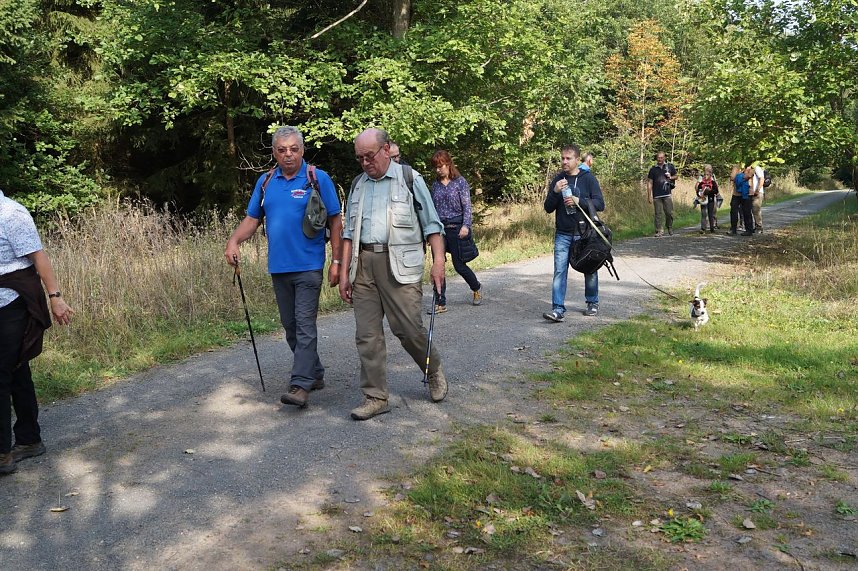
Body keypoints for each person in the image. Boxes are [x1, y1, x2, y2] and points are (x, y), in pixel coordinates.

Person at [224, 126, 342, 409]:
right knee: (290, 326)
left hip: (309, 266)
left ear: (302, 150)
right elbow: (252, 220)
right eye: (282, 150)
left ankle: (299, 385)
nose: (288, 155)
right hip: (279, 267)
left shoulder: (317, 178)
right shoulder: (266, 182)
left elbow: (335, 222)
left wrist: (337, 261)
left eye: (294, 149)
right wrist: (233, 241)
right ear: (274, 152)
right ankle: (315, 373)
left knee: (304, 326)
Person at [338, 128, 448, 421]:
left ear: (386, 149)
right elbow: (349, 233)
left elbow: (432, 225)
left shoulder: (410, 179)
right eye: (359, 158)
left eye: (369, 156)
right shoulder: (358, 185)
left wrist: (438, 263)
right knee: (367, 335)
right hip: (365, 265)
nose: (364, 163)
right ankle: (375, 396)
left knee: (409, 330)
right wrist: (345, 271)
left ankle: (432, 368)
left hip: (401, 264)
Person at [1, 190, 74, 475]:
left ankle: (2, 452)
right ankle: (29, 439)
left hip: (13, 302)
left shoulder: (10, 214)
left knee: (2, 372)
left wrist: (55, 296)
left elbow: (38, 257)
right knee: (16, 370)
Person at [543, 144, 605, 322]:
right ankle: (557, 308)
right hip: (563, 233)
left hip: (585, 233)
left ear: (577, 160)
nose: (564, 162)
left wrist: (580, 201)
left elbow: (600, 204)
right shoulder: (558, 179)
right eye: (562, 158)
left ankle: (592, 302)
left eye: (568, 158)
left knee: (590, 268)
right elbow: (548, 208)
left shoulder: (588, 179)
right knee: (560, 271)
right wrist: (555, 192)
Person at [428, 149, 482, 313]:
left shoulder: (460, 182)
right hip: (440, 230)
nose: (438, 170)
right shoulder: (435, 186)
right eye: (436, 167)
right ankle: (440, 302)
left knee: (459, 266)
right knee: (439, 264)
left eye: (440, 166)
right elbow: (431, 209)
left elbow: (467, 207)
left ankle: (476, 288)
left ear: (448, 164)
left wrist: (466, 225)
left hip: (457, 227)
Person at [646, 151, 678, 237]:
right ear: (656, 158)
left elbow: (676, 176)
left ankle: (669, 227)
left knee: (669, 213)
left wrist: (670, 177)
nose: (659, 159)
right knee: (658, 214)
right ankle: (659, 230)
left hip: (667, 194)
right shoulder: (653, 169)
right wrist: (649, 196)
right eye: (658, 157)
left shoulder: (669, 167)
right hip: (656, 195)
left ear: (664, 158)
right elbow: (650, 182)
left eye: (661, 157)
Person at [728, 165, 755, 236]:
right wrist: (740, 176)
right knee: (733, 211)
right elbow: (732, 177)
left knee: (747, 211)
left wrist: (739, 176)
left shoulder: (751, 166)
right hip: (736, 193)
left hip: (747, 193)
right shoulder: (736, 166)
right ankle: (733, 229)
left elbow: (749, 175)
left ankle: (749, 230)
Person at [695, 164, 720, 233]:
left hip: (711, 199)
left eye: (708, 175)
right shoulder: (701, 182)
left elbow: (716, 191)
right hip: (703, 200)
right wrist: (700, 195)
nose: (706, 176)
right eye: (705, 175)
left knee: (711, 213)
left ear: (710, 175)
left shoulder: (713, 182)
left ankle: (712, 227)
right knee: (703, 214)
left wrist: (710, 191)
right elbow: (698, 190)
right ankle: (703, 228)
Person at [750, 163, 766, 233]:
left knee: (756, 209)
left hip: (757, 192)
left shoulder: (757, 168)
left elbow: (762, 179)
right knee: (752, 210)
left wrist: (757, 190)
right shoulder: (748, 168)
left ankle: (759, 227)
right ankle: (755, 226)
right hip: (750, 193)